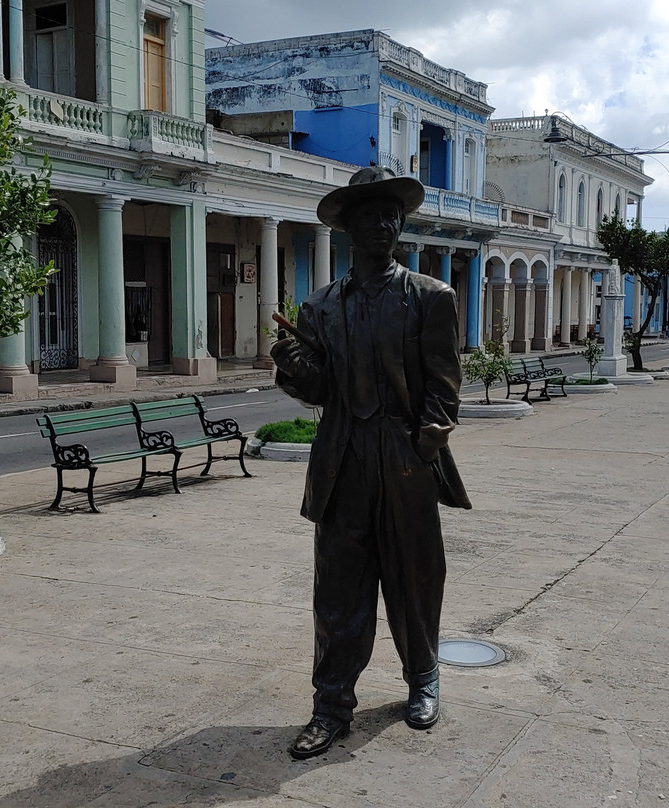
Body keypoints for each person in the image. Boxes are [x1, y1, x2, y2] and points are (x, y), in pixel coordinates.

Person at [270, 166, 471, 760]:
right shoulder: (321, 307)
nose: (383, 224)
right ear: (350, 227)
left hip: (405, 458)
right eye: (371, 215)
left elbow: (444, 382)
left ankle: (423, 679)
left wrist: (426, 443)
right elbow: (318, 390)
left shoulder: (432, 298)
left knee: (415, 577)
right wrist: (293, 364)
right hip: (342, 460)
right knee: (338, 589)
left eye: (392, 215)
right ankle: (331, 706)